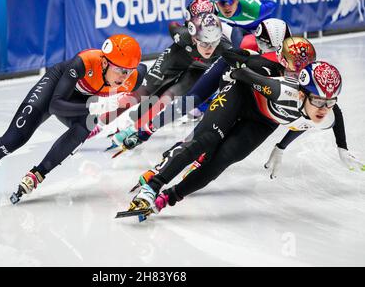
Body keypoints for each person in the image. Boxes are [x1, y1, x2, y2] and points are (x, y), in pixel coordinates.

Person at [125, 57, 360, 218]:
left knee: (222, 160)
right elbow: (242, 72)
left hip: (263, 121)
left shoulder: (326, 113)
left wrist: (283, 147)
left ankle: (168, 198)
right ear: (301, 94)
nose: (324, 108)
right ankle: (153, 185)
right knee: (206, 140)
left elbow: (313, 121)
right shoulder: (281, 91)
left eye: (330, 102)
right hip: (240, 95)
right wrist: (230, 76)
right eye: (318, 101)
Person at [0, 34, 146, 204]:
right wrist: (100, 105)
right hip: (56, 90)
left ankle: (38, 173)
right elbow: (56, 105)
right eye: (120, 71)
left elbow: (146, 90)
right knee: (14, 139)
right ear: (105, 62)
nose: (124, 77)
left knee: (85, 127)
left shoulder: (135, 77)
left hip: (82, 100)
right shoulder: (85, 62)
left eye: (128, 72)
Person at [120, 18, 292, 151]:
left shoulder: (294, 61)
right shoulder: (244, 45)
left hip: (254, 92)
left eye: (276, 48)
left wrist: (281, 147)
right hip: (231, 73)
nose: (271, 52)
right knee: (192, 101)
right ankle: (148, 130)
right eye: (265, 45)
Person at [100, 0, 232, 148]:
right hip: (177, 59)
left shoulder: (223, 46)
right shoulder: (182, 35)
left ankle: (134, 127)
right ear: (191, 27)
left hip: (198, 69)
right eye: (202, 38)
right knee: (143, 93)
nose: (208, 41)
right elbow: (173, 27)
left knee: (167, 97)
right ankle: (100, 123)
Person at [211, 0, 277, 49]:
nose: (227, 7)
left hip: (260, 29)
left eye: (230, 1)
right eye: (222, 3)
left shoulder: (254, 10)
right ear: (216, 3)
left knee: (236, 31)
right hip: (238, 29)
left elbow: (273, 5)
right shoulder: (211, 8)